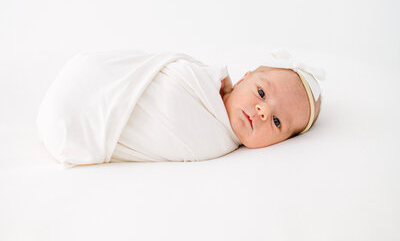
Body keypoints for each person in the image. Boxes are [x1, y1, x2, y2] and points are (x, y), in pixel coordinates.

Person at [37, 48, 324, 167]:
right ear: (244, 78)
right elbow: (165, 76)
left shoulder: (218, 141)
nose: (262, 111)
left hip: (70, 125)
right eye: (261, 92)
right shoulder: (202, 80)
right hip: (94, 79)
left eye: (276, 122)